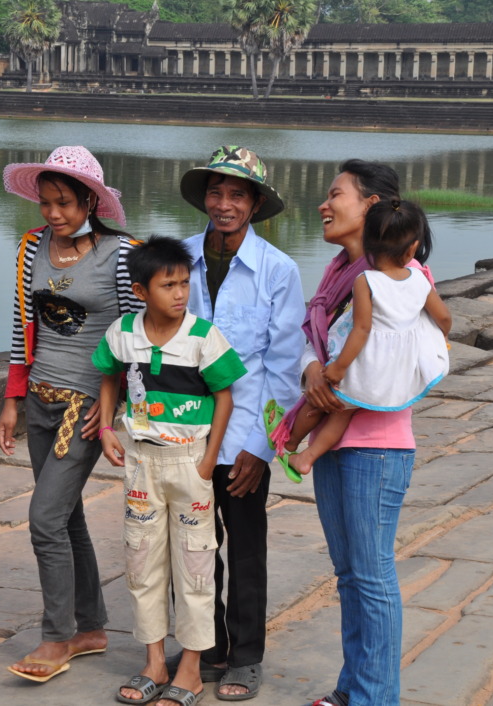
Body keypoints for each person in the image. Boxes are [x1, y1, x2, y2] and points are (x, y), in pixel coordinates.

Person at [0, 146, 143, 682]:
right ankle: (91, 626)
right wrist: (11, 400)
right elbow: (21, 328)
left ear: (90, 200)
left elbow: (137, 337)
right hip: (38, 398)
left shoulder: (123, 255)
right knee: (66, 516)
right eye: (46, 203)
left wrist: (112, 410)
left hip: (84, 407)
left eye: (64, 203)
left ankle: (56, 636)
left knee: (43, 519)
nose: (53, 214)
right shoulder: (30, 248)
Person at [294, 160, 431, 706]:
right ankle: (353, 689)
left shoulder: (401, 275)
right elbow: (319, 338)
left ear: (372, 205)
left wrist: (336, 375)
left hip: (377, 446)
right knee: (349, 574)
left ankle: (377, 698)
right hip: (333, 439)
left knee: (372, 577)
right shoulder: (337, 274)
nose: (325, 205)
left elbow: (406, 356)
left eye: (336, 195)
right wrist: (312, 371)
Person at [93, 236, 246, 706]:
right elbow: (108, 375)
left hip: (189, 465)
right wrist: (104, 427)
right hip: (141, 464)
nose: (180, 294)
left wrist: (208, 458)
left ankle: (193, 670)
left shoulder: (202, 336)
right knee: (142, 563)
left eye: (185, 283)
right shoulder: (123, 332)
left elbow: (224, 395)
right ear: (141, 291)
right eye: (168, 285)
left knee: (196, 566)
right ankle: (154, 661)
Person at [177, 145, 306, 701]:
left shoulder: (279, 270)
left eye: (236, 195)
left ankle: (246, 656)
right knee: (192, 548)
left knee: (247, 550)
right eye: (215, 193)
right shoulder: (177, 259)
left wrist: (261, 446)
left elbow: (283, 371)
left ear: (254, 204)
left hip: (243, 439)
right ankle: (205, 646)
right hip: (181, 433)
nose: (223, 204)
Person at [272, 199, 451, 478]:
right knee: (343, 411)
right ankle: (306, 457)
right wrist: (443, 334)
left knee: (323, 400)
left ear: (366, 244)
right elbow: (444, 318)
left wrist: (339, 367)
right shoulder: (420, 279)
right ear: (413, 248)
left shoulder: (366, 280)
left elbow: (362, 329)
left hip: (366, 366)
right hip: (394, 373)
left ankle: (290, 440)